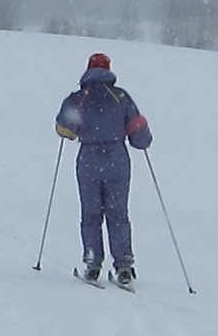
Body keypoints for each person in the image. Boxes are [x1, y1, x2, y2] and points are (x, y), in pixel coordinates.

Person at [55, 52, 152, 285]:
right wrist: (143, 138)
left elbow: (64, 130)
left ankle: (92, 262)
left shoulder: (78, 98)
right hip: (117, 160)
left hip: (88, 160)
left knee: (91, 213)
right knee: (118, 213)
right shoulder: (121, 97)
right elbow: (140, 137)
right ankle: (124, 264)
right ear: (109, 70)